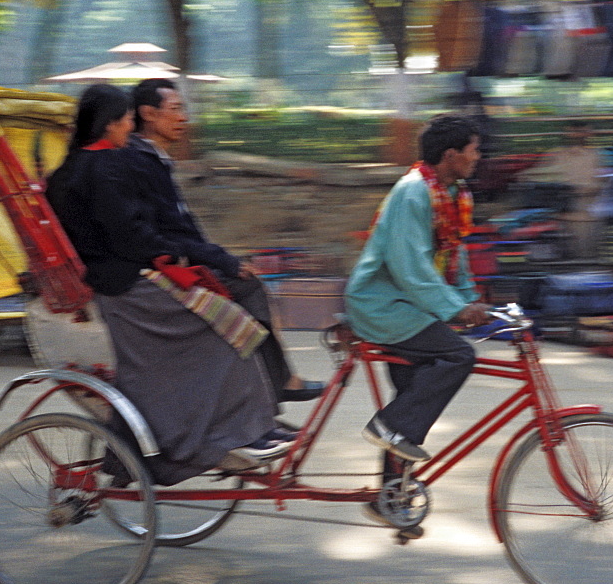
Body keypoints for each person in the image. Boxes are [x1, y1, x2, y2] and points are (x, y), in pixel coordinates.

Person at [45, 83, 298, 484]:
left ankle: (249, 427)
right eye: (127, 119)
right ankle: (232, 434)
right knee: (227, 328)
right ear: (112, 123)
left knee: (229, 320)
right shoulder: (107, 167)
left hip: (116, 278)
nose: (130, 127)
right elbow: (132, 237)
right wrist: (172, 255)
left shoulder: (67, 170)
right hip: (125, 286)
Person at [122, 78, 322, 405]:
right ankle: (277, 385)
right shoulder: (139, 161)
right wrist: (222, 261)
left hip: (177, 258)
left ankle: (273, 388)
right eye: (175, 109)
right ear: (149, 114)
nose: (184, 117)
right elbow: (169, 232)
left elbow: (180, 226)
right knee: (247, 289)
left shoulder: (153, 159)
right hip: (158, 270)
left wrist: (218, 258)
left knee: (244, 284)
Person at [345, 114, 491, 533]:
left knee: (413, 398)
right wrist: (454, 310)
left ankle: (390, 497)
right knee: (457, 356)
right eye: (473, 150)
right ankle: (387, 428)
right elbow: (411, 269)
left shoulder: (453, 193)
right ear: (451, 155)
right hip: (383, 303)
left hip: (411, 305)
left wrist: (472, 303)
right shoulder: (414, 192)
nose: (478, 157)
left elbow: (454, 256)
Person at [518, 120, 608, 259]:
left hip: (586, 214)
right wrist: (525, 176)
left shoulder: (596, 155)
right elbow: (537, 177)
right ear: (568, 132)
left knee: (585, 256)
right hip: (559, 215)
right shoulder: (555, 155)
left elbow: (602, 182)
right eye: (576, 131)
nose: (581, 135)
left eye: (585, 131)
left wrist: (583, 190)